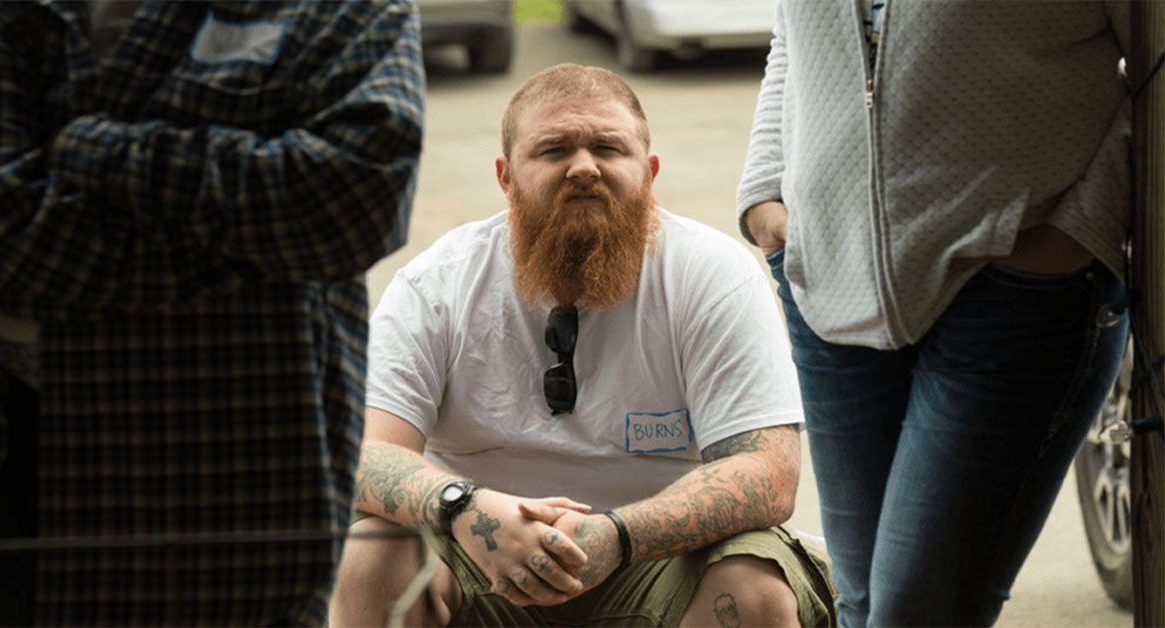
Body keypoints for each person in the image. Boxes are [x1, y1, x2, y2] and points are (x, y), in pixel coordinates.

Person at [329, 63, 837, 627]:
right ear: (505, 177)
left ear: (649, 172)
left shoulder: (714, 275)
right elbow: (359, 454)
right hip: (481, 556)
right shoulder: (437, 284)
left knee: (753, 588)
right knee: (370, 558)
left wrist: (619, 535)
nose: (584, 168)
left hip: (660, 561)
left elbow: (767, 471)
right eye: (553, 150)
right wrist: (468, 508)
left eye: (608, 148)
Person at [0, 1, 423, 625]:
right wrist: (248, 258)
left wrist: (91, 146)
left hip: (237, 486)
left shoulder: (342, 9)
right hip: (10, 470)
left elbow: (352, 201)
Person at [736, 1, 1132, 625]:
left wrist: (1082, 226)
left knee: (915, 613)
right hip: (830, 282)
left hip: (1013, 294)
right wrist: (765, 196)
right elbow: (793, 35)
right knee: (863, 604)